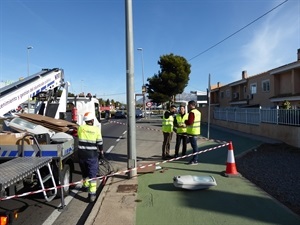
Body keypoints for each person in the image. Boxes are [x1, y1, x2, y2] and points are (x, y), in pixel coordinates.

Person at [78, 112, 103, 202]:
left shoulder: (80, 128)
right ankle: (92, 194)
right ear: (92, 120)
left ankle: (85, 186)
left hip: (81, 155)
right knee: (92, 174)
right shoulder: (96, 130)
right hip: (91, 155)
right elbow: (100, 142)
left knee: (84, 172)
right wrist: (101, 151)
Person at [184, 100, 201, 165]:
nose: (188, 106)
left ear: (191, 105)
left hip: (192, 131)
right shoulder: (198, 112)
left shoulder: (192, 113)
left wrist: (185, 121)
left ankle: (195, 160)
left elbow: (190, 122)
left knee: (194, 146)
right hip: (196, 131)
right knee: (193, 145)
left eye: (188, 105)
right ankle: (194, 158)